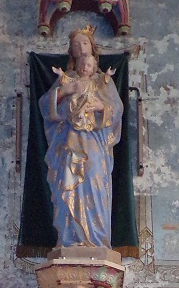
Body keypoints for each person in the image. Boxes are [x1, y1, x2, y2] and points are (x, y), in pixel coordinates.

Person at [40, 27, 123, 249]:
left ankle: (96, 239)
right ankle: (69, 238)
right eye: (76, 45)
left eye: (84, 43)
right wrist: (63, 93)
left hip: (94, 140)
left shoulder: (102, 81)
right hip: (69, 140)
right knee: (68, 180)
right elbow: (45, 105)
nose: (80, 48)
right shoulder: (68, 79)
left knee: (94, 174)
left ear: (92, 49)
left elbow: (117, 109)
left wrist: (101, 106)